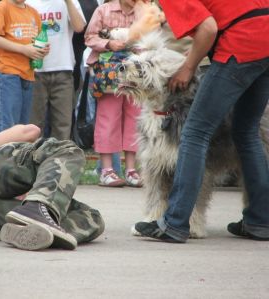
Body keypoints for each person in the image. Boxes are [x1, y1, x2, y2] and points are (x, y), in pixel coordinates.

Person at [135, 0, 269, 242]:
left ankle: (175, 222)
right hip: (265, 37)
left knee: (195, 132)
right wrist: (195, 53)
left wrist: (188, 67)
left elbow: (208, 28)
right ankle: (260, 221)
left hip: (242, 42)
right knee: (247, 132)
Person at [84, 0, 160, 187]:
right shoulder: (103, 10)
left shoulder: (145, 11)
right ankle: (107, 170)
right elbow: (89, 37)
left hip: (137, 73)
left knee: (135, 118)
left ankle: (131, 170)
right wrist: (109, 43)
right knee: (108, 118)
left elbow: (154, 37)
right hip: (109, 75)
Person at [0, 0, 49, 133]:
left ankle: (18, 154)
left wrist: (42, 50)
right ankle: (5, 154)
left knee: (22, 128)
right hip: (8, 73)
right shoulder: (1, 7)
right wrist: (23, 49)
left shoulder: (33, 13)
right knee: (8, 126)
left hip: (28, 74)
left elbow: (36, 42)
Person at [27, 0, 86, 141]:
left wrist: (68, 2)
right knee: (33, 125)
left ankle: (59, 161)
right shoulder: (27, 3)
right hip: (35, 70)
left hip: (63, 69)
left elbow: (79, 27)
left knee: (63, 124)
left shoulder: (69, 2)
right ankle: (32, 160)